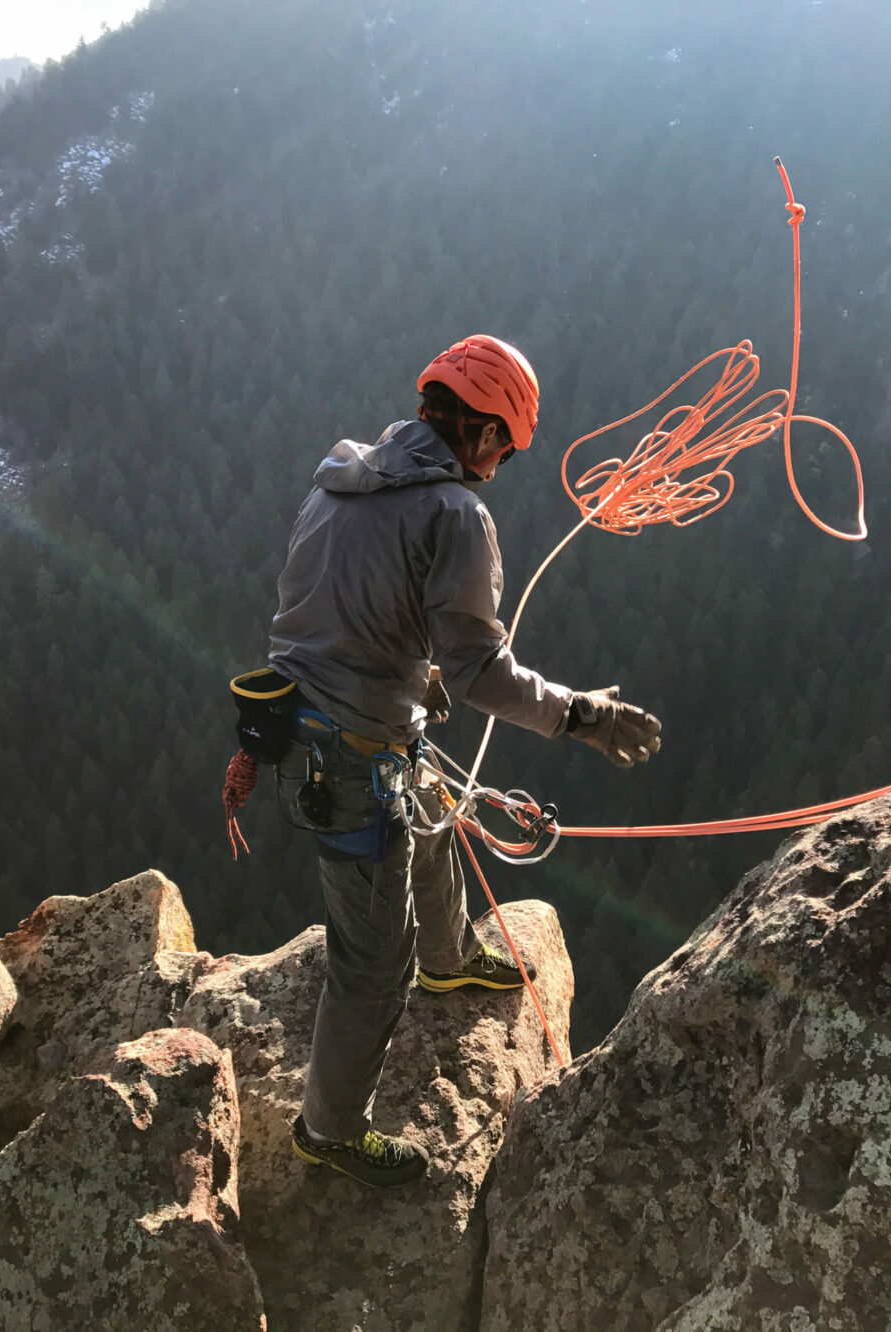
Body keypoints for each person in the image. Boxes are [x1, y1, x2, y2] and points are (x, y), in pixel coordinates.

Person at [266, 334, 663, 1188]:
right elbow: (486, 672)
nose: (501, 466)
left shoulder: (342, 476)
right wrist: (583, 715)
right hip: (350, 752)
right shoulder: (454, 514)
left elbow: (322, 604)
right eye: (506, 449)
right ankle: (329, 1132)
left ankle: (449, 960)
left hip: (313, 725)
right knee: (373, 961)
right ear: (483, 432)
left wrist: (404, 673)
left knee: (434, 807)